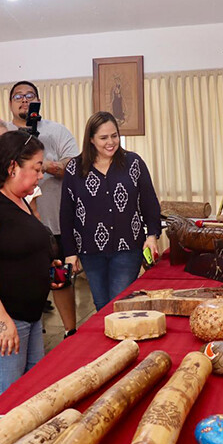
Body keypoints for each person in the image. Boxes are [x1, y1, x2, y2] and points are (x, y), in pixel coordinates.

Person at [0, 130, 64, 402]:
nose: (41, 175)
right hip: (1, 316)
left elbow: (18, 243)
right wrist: (0, 320)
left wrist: (45, 266)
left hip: (27, 314)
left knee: (32, 394)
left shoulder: (18, 198)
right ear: (13, 166)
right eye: (37, 168)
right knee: (6, 401)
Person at [60, 111, 161, 311]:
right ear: (91, 139)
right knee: (101, 305)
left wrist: (152, 236)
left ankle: (125, 341)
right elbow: (66, 213)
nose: (111, 142)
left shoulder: (134, 163)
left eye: (114, 136)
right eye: (103, 137)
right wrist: (70, 253)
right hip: (90, 250)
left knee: (119, 303)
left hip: (128, 247)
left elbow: (149, 202)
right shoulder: (74, 168)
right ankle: (113, 343)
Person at [8, 81, 78, 336]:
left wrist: (42, 165)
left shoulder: (56, 131)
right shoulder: (4, 133)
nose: (24, 100)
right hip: (15, 226)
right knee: (24, 280)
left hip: (53, 222)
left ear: (38, 100)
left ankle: (71, 331)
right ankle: (31, 331)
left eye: (30, 95)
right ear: (10, 103)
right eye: (18, 96)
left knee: (60, 277)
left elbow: (74, 167)